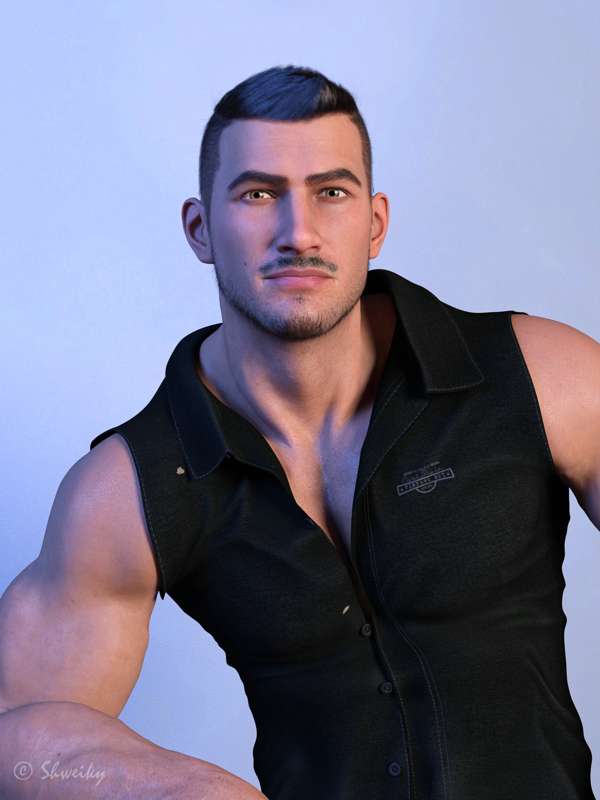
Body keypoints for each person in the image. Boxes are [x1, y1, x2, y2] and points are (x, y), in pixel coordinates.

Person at [1, 64, 599, 800]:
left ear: (374, 223)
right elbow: (14, 734)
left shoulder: (541, 375)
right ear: (200, 229)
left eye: (331, 192)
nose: (299, 233)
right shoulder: (131, 488)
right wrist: (180, 790)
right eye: (259, 194)